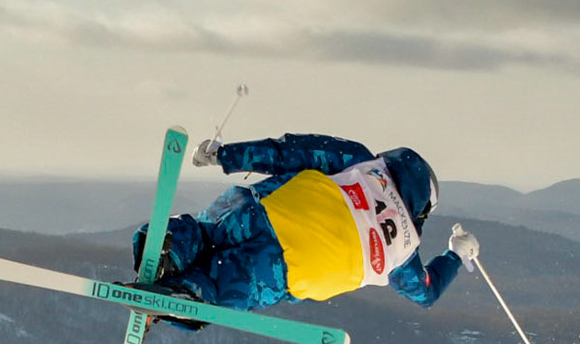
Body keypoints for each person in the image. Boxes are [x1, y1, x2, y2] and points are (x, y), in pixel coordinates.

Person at [130, 133, 479, 325]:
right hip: (288, 269)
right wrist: (455, 254)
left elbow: (289, 152)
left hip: (260, 212)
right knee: (224, 283)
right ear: (423, 208)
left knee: (206, 231)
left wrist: (225, 155)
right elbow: (425, 293)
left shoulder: (363, 162)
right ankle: (187, 297)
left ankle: (172, 248)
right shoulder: (405, 247)